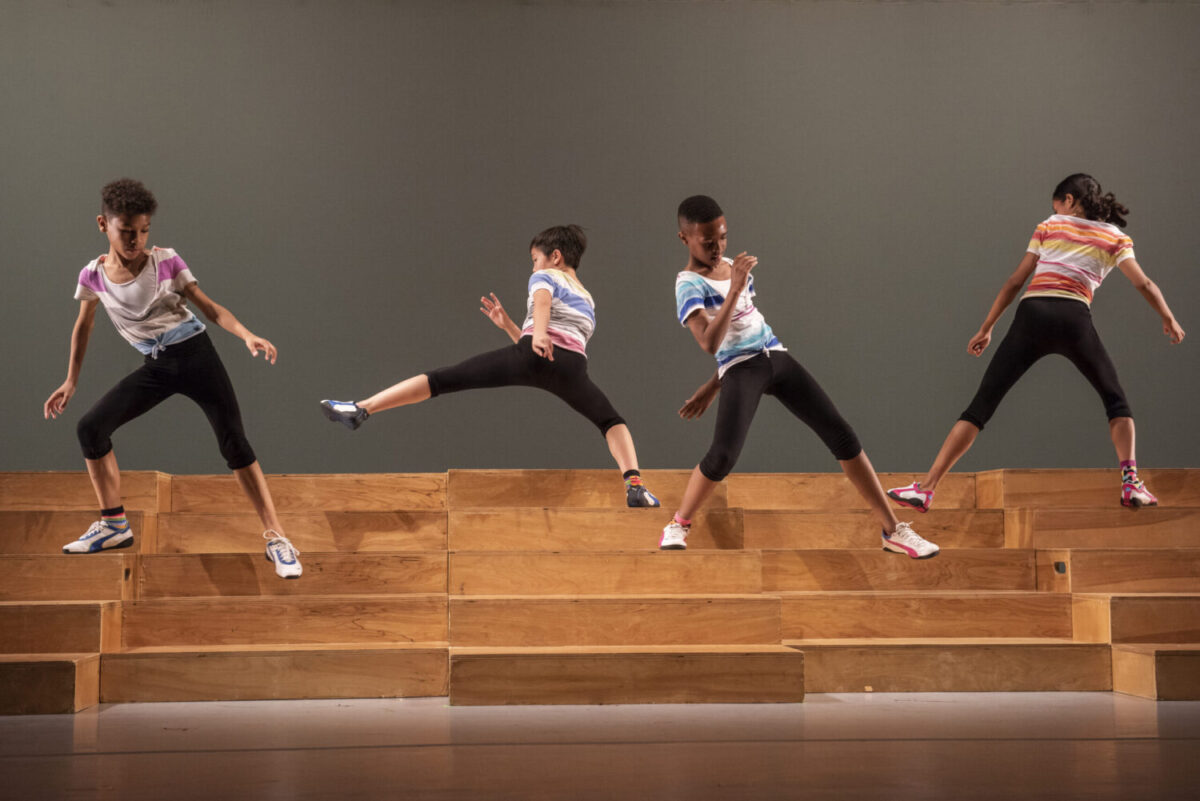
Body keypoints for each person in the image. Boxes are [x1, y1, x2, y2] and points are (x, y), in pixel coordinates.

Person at [43, 179, 301, 578]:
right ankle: (114, 525)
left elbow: (210, 308)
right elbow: (84, 326)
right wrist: (70, 380)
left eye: (143, 231)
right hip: (157, 365)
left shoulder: (166, 261)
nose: (136, 240)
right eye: (126, 231)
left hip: (196, 355)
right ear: (103, 224)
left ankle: (277, 538)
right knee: (90, 429)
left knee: (234, 443)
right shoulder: (92, 275)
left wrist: (247, 335)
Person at [888, 174, 1185, 513]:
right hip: (1074, 317)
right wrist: (1168, 317)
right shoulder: (1115, 236)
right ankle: (1131, 483)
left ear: (1069, 201)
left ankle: (926, 489)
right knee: (1116, 402)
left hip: (1032, 314)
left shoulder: (1050, 224)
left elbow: (1016, 280)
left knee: (980, 406)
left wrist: (987, 327)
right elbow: (1144, 283)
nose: (1055, 209)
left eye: (1057, 203)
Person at [660, 195, 938, 557]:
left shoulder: (734, 267)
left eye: (723, 238)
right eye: (708, 242)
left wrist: (712, 386)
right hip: (742, 368)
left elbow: (745, 324)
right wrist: (734, 291)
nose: (718, 248)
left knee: (841, 434)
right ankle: (679, 523)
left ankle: (893, 530)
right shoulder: (688, 283)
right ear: (685, 239)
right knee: (724, 456)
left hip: (774, 354)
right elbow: (712, 343)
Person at [320, 225, 660, 507]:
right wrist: (511, 326)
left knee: (443, 379)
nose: (533, 267)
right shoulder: (587, 297)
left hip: (534, 352)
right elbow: (560, 340)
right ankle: (634, 484)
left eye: (534, 260)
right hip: (571, 368)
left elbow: (541, 306)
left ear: (554, 257)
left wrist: (537, 333)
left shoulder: (546, 277)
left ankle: (362, 408)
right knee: (611, 420)